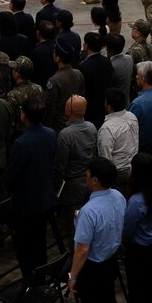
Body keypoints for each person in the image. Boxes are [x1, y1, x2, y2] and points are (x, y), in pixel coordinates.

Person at [69, 156, 129, 303]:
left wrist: (73, 276)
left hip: (92, 269)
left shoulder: (89, 210)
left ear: (95, 179)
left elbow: (82, 249)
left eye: (87, 175)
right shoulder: (118, 197)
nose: (85, 178)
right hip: (110, 262)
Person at [6, 99, 58, 270]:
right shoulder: (50, 133)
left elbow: (12, 176)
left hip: (25, 203)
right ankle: (40, 278)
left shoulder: (21, 143)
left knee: (25, 247)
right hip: (45, 197)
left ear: (24, 115)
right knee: (39, 242)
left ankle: (30, 283)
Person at [122, 152, 152, 303]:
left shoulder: (135, 201)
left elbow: (127, 230)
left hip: (138, 250)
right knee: (151, 283)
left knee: (138, 290)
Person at [53, 97, 98, 235]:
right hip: (90, 181)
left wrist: (55, 189)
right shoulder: (92, 128)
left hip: (72, 185)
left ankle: (75, 253)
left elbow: (60, 165)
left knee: (73, 226)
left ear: (69, 110)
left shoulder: (66, 134)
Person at [97, 88, 139, 177]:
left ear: (108, 106)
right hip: (133, 166)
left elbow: (105, 160)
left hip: (117, 172)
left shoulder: (107, 128)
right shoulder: (132, 117)